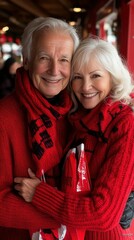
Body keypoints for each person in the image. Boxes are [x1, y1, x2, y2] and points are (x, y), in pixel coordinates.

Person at [14, 36, 134, 239]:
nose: (85, 87)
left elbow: (103, 215)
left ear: (113, 78)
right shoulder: (79, 119)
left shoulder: (124, 124)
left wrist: (40, 194)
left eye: (96, 76)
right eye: (77, 77)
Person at [0, 17, 80, 239]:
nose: (55, 70)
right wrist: (69, 215)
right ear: (27, 60)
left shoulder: (78, 111)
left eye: (64, 59)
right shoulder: (4, 117)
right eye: (44, 58)